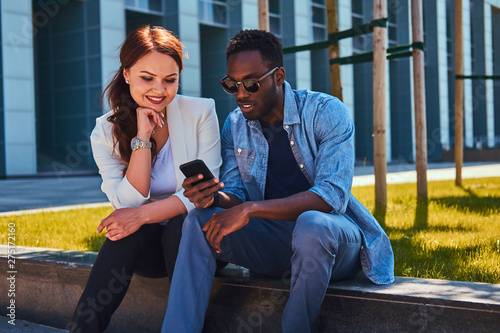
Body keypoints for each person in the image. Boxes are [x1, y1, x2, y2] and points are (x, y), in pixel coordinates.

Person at [161, 29, 395, 333]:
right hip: (275, 243)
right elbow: (235, 194)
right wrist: (213, 197)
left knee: (313, 224)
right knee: (198, 220)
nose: (241, 94)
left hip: (333, 243)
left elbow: (330, 197)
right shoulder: (235, 125)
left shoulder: (325, 112)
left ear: (279, 76)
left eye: (252, 84)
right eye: (232, 85)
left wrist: (251, 209)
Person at [69, 25, 221, 333]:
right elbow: (126, 202)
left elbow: (204, 194)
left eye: (170, 79)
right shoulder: (105, 131)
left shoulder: (201, 111)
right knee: (125, 234)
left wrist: (139, 216)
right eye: (147, 78)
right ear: (126, 74)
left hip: (201, 245)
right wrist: (142, 137)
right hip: (149, 252)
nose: (159, 90)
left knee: (182, 223)